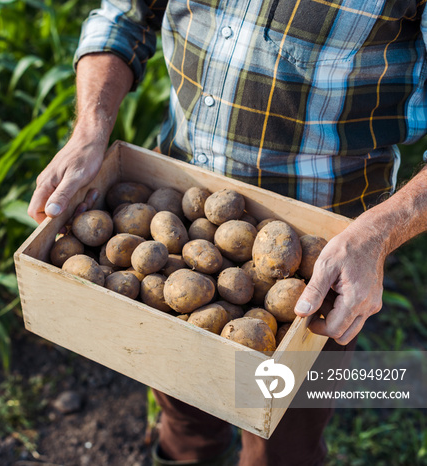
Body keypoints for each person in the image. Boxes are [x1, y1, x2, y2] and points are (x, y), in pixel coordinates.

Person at [28, 1, 427, 464]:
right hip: (177, 188)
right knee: (185, 420)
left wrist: (376, 235)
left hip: (327, 258)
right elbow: (125, 16)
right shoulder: (172, 249)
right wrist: (90, 130)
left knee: (285, 445)